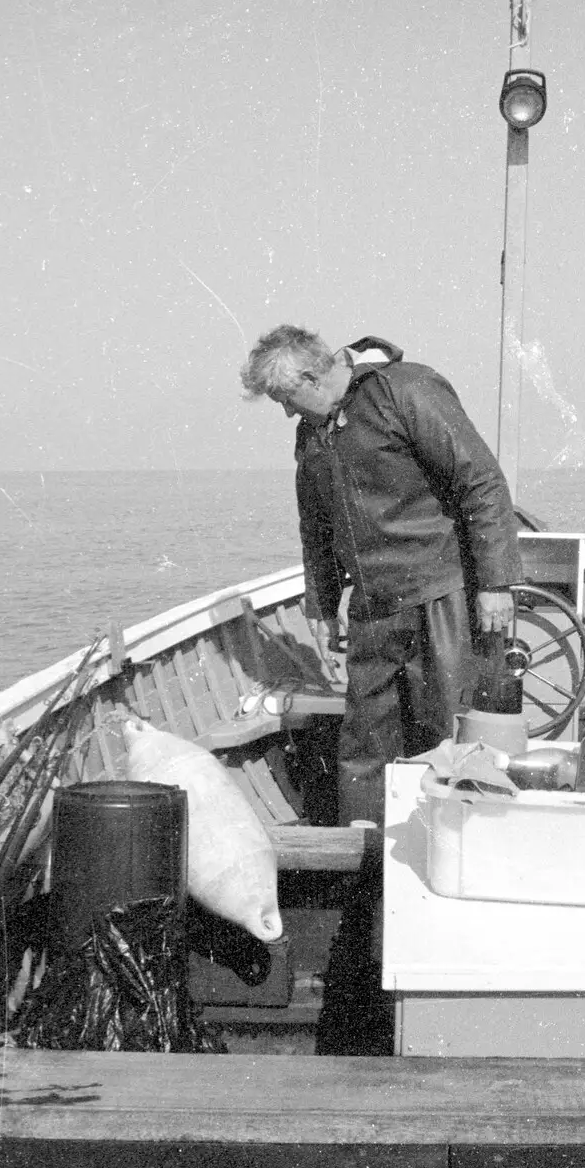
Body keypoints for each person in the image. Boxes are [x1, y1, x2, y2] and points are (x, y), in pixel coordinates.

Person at [240, 326, 523, 828]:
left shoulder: (406, 389)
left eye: (286, 397)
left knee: (450, 736)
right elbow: (318, 527)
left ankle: (455, 846)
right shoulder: (312, 433)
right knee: (364, 746)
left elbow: (481, 481)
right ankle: (369, 869)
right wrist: (323, 605)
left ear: (311, 375)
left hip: (443, 597)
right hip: (372, 610)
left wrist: (496, 584)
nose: (287, 412)